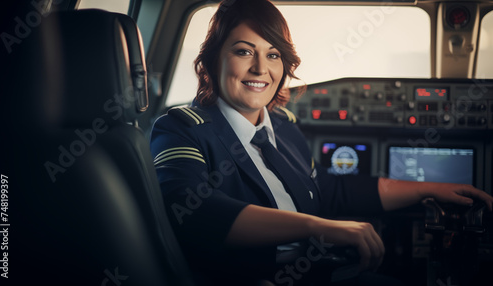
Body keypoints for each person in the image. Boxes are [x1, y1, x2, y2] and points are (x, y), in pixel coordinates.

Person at [150, 0, 493, 285]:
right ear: (212, 60)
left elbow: (329, 190)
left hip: (315, 271)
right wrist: (320, 227)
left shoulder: (283, 129)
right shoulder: (181, 129)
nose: (260, 68)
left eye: (273, 55)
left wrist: (428, 188)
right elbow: (193, 212)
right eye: (243, 51)